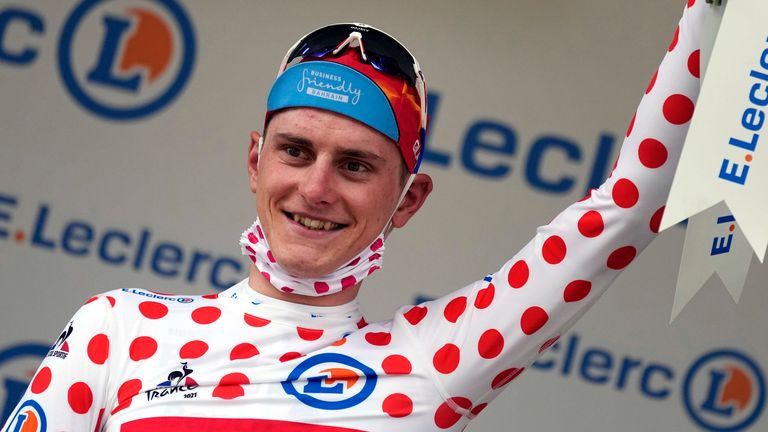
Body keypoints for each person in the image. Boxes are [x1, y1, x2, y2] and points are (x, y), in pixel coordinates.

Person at [2, 1, 706, 431]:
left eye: (357, 165)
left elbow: (629, 206)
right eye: (296, 151)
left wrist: (710, 16)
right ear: (256, 162)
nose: (316, 188)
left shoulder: (434, 362)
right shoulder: (120, 331)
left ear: (410, 200)